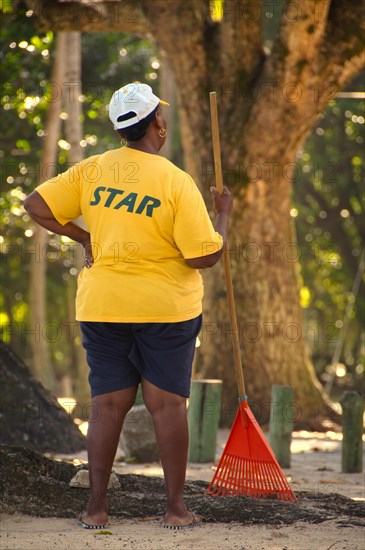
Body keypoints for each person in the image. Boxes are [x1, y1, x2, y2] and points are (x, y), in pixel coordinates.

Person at [24, 82, 233, 530]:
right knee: (167, 406)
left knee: (107, 405)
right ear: (157, 123)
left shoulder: (91, 170)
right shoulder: (175, 180)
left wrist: (85, 237)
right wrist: (224, 216)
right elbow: (203, 256)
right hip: (166, 309)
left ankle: (96, 507)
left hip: (102, 305)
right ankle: (176, 510)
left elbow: (35, 204)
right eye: (162, 113)